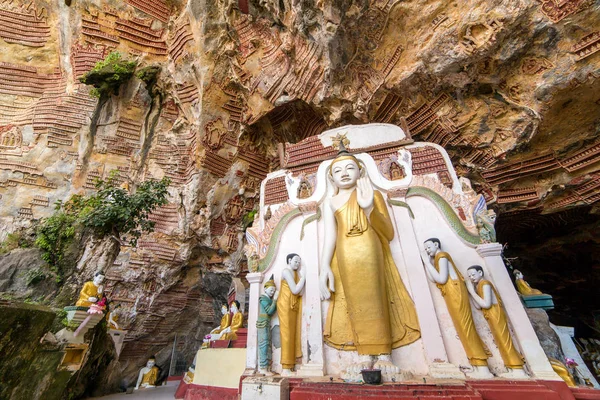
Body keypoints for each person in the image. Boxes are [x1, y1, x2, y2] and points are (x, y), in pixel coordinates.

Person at [318, 146, 420, 377]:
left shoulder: (372, 195)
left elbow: (389, 232)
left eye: (350, 168)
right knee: (354, 300)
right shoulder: (331, 203)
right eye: (338, 170)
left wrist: (369, 207)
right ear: (331, 177)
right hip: (346, 253)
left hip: (370, 249)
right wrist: (324, 266)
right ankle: (364, 353)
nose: (344, 173)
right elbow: (330, 237)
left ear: (360, 171)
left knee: (377, 296)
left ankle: (384, 354)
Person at [421, 239, 491, 376]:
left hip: (456, 291)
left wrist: (427, 262)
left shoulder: (442, 256)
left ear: (436, 245)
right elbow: (433, 278)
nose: (428, 250)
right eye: (426, 249)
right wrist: (427, 263)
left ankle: (483, 367)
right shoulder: (436, 259)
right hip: (450, 293)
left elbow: (441, 279)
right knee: (461, 327)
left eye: (429, 247)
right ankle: (476, 363)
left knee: (466, 327)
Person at [466, 265, 526, 374]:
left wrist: (472, 292)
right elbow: (478, 306)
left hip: (495, 313)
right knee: (499, 340)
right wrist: (472, 291)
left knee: (504, 340)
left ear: (480, 272)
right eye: (469, 276)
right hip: (490, 315)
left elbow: (486, 304)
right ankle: (511, 367)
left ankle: (517, 368)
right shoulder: (479, 285)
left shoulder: (485, 284)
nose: (471, 277)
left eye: (473, 275)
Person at [277, 253, 305, 375]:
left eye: (299, 262)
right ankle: (285, 367)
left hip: (292, 304)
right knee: (287, 333)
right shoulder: (286, 272)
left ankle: (291, 364)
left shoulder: (295, 273)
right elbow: (295, 289)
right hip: (285, 304)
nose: (297, 264)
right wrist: (303, 278)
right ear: (289, 260)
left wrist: (301, 278)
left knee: (293, 333)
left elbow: (299, 292)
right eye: (295, 261)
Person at [257, 277, 278, 375]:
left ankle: (267, 367)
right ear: (265, 289)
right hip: (262, 323)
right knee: (264, 345)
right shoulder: (263, 298)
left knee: (268, 345)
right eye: (271, 290)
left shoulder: (267, 299)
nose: (272, 292)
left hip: (267, 323)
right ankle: (263, 368)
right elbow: (269, 311)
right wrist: (275, 300)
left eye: (274, 291)